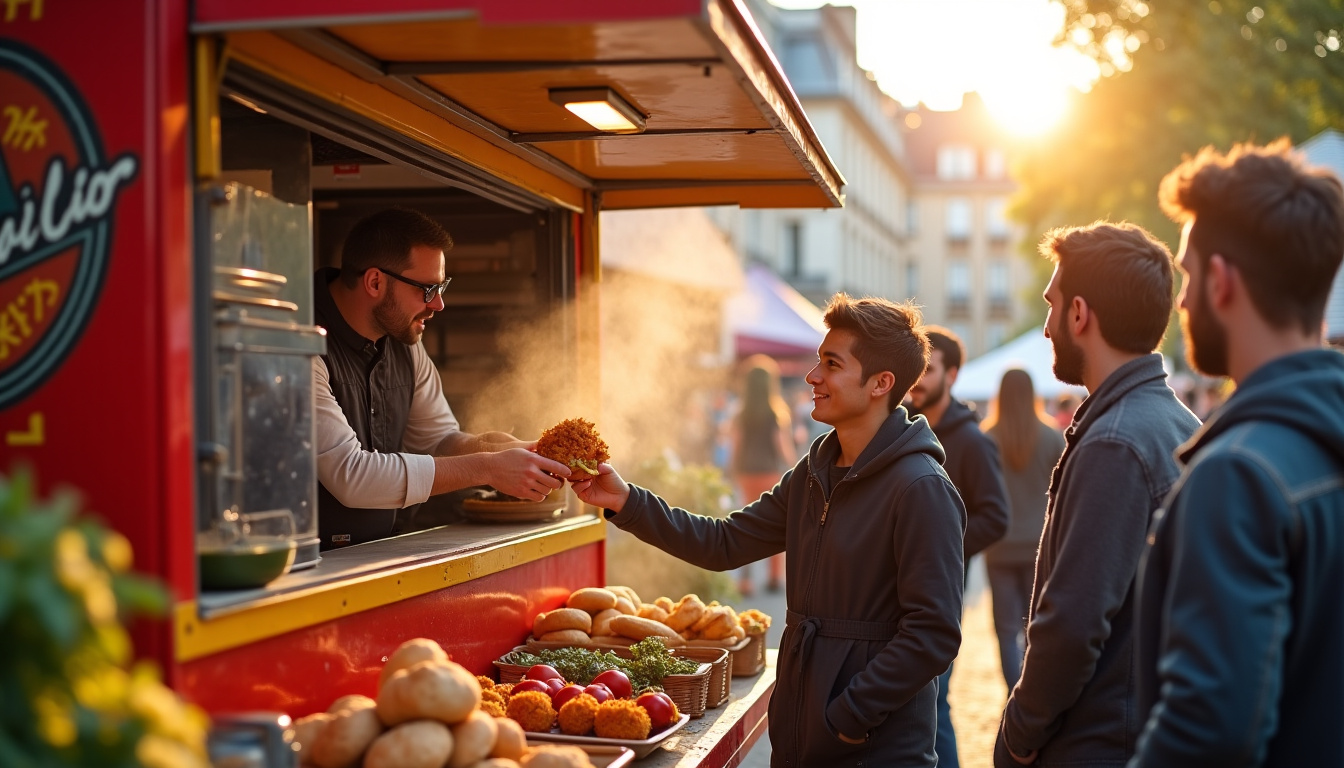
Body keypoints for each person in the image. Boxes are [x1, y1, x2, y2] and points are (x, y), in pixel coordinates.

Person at [573, 294, 966, 767]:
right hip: (799, 733)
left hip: (875, 748)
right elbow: (724, 542)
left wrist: (848, 716)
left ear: (881, 383)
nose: (813, 376)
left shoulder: (922, 487)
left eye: (832, 364)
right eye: (818, 361)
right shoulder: (812, 473)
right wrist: (626, 501)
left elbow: (933, 634)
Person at [1129, 140, 1344, 766]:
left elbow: (1207, 734)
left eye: (1188, 274)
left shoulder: (1237, 477)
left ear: (1221, 282)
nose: (1181, 300)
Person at [994, 222, 1200, 767]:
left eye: (1052, 305)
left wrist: (1017, 734)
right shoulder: (1178, 421)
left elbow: (1072, 623)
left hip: (1100, 741)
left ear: (1079, 314)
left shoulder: (1116, 442)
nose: (1046, 328)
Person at [312, 208, 569, 549]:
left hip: (377, 555)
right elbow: (352, 475)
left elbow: (438, 440)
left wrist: (506, 449)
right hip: (304, 567)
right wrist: (488, 467)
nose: (439, 304)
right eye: (428, 289)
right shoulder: (299, 343)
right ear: (375, 282)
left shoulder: (405, 343)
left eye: (442, 286)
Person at [908, 326, 1010, 768]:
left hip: (940, 597)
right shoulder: (899, 429)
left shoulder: (972, 441)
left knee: (934, 704)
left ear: (952, 375)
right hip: (888, 593)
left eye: (928, 370)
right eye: (916, 369)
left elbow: (996, 517)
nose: (918, 380)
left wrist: (940, 548)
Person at [980, 369, 1064, 692]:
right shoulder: (1052, 437)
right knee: (1036, 627)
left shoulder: (987, 438)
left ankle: (1013, 692)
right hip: (1039, 547)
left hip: (999, 546)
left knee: (1005, 629)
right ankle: (1032, 694)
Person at [729, 355, 795, 595]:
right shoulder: (776, 413)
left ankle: (745, 581)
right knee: (774, 523)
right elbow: (782, 446)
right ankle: (774, 577)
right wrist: (795, 466)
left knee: (747, 524)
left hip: (747, 473)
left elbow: (735, 444)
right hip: (770, 473)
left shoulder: (741, 414)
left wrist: (732, 469)